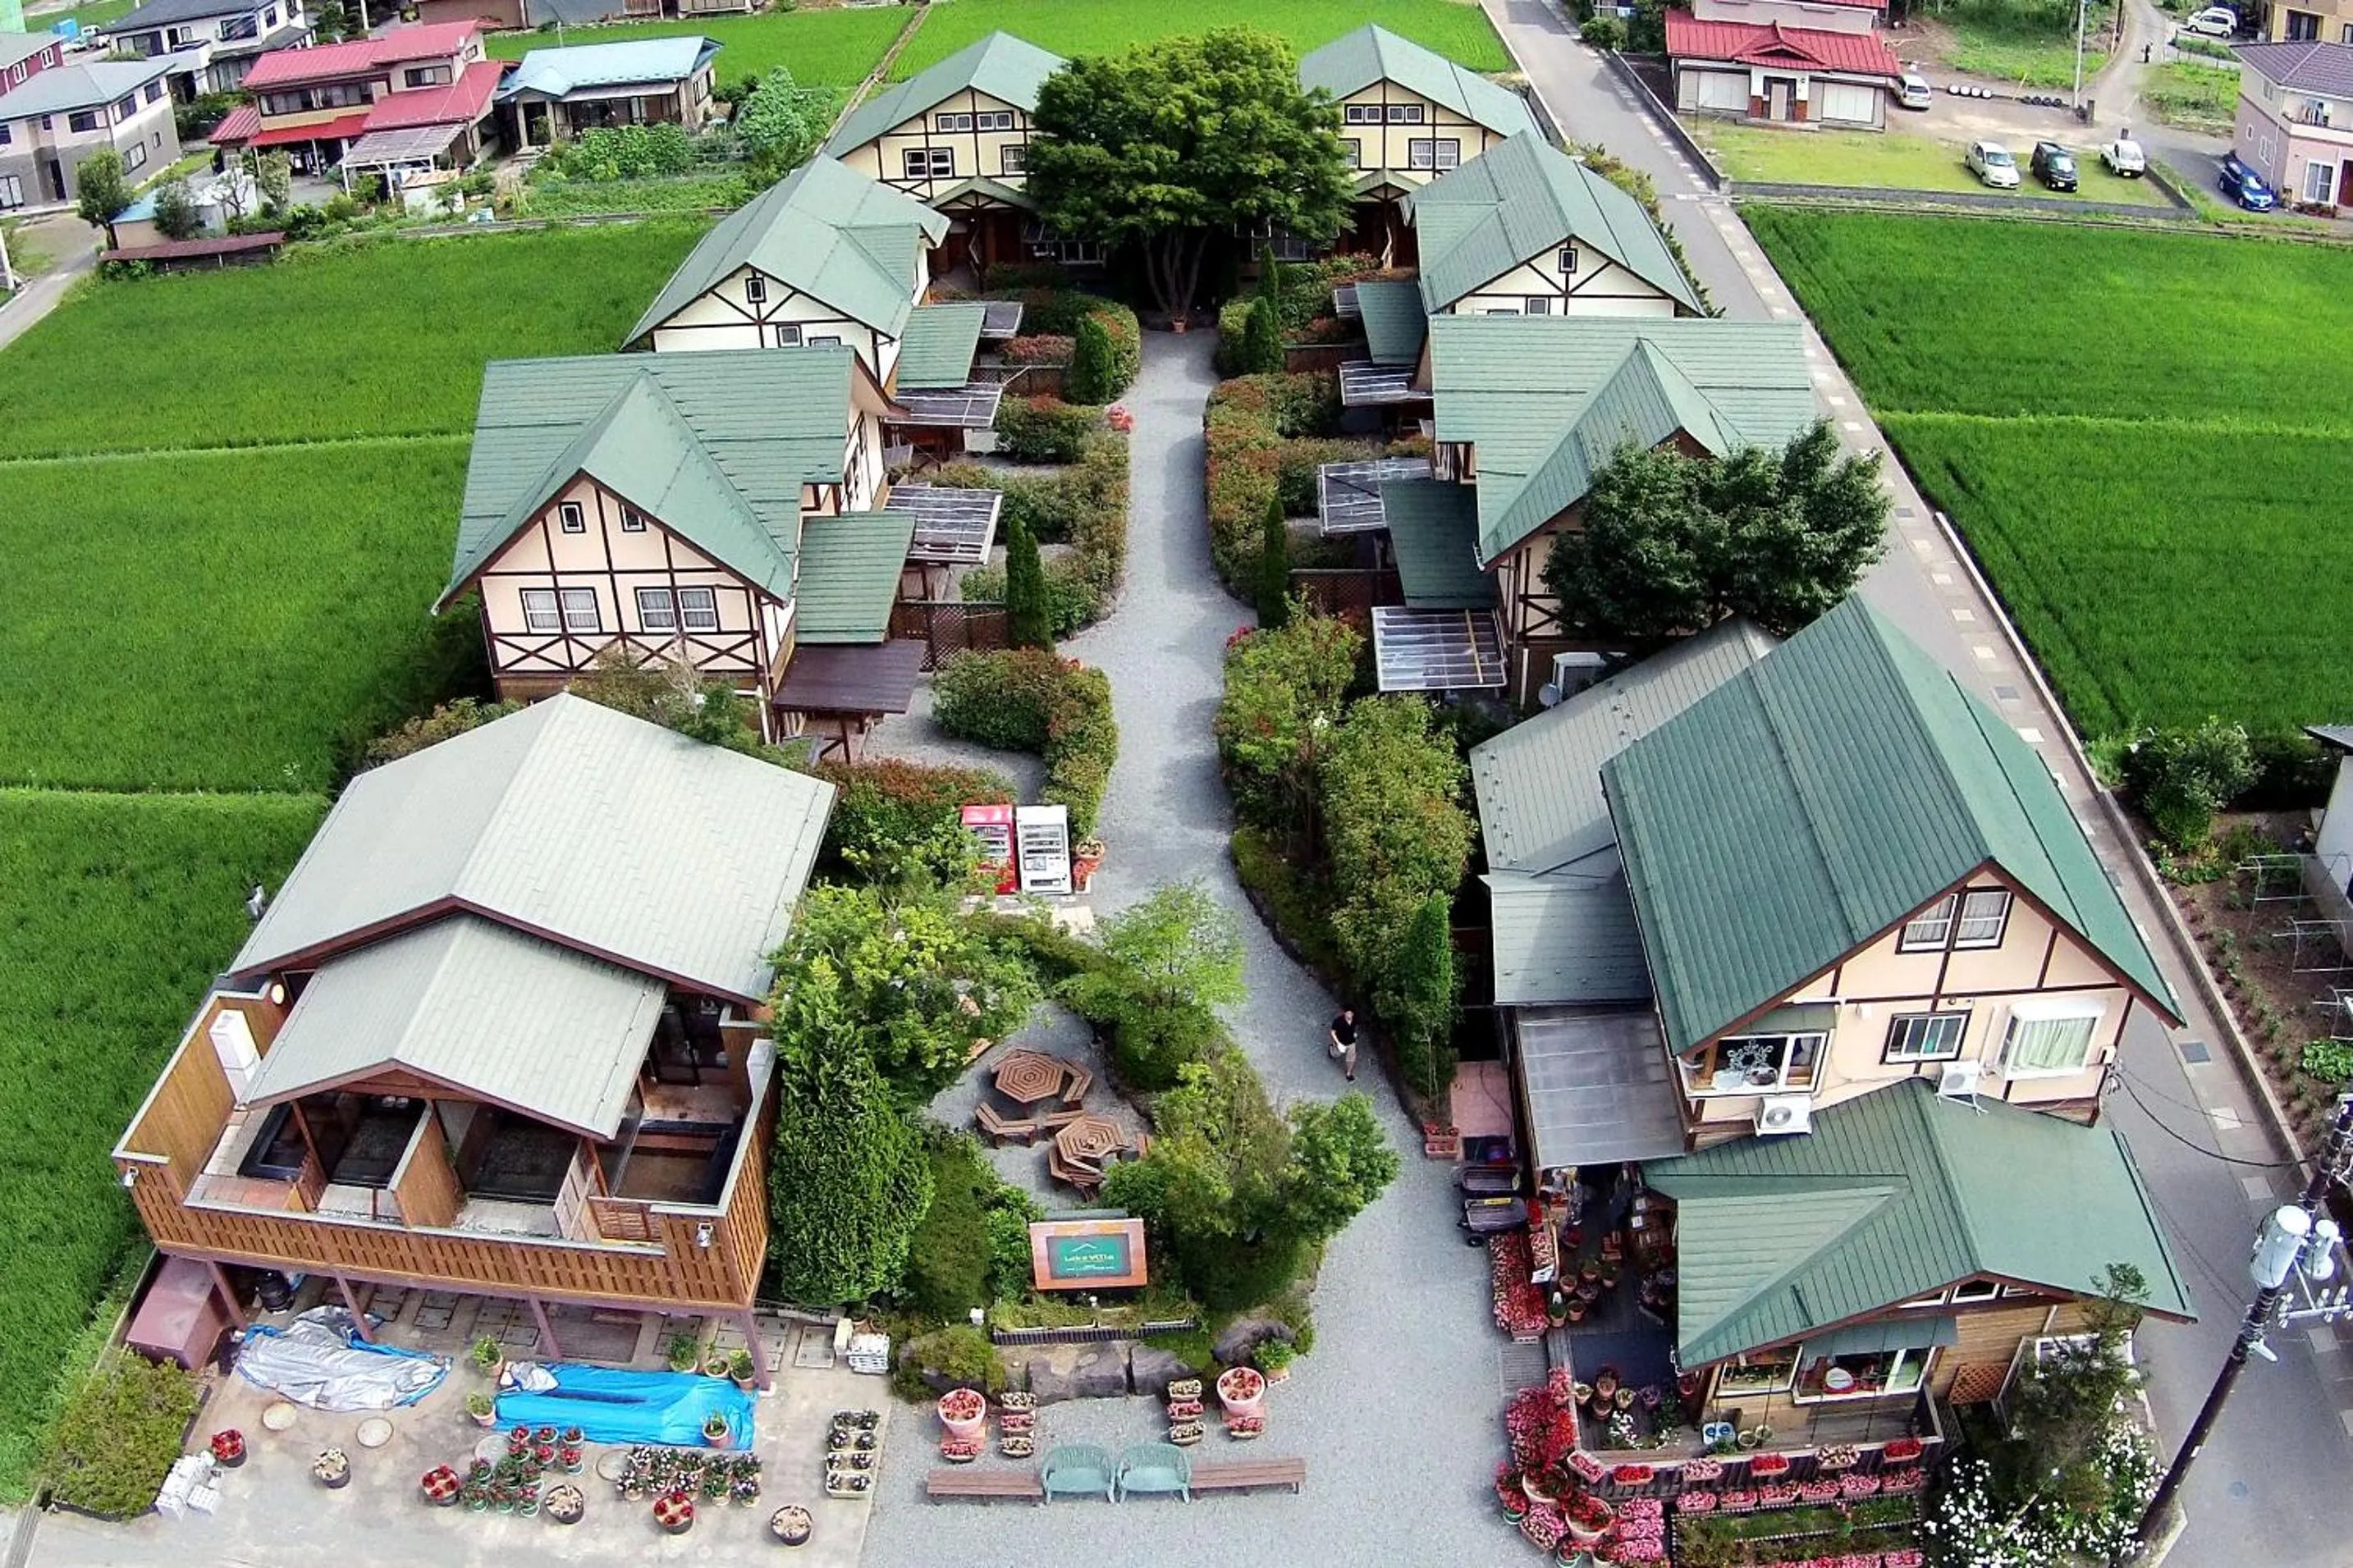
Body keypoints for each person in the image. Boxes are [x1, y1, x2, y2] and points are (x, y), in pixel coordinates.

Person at [1327, 1008, 1359, 1082]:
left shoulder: (1354, 1020)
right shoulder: (1338, 1021)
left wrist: (1354, 1034)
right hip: (1341, 1042)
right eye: (1348, 1013)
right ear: (1345, 1013)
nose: (1350, 1015)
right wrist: (1338, 1043)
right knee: (1336, 1054)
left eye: (1351, 1013)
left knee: (1351, 1058)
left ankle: (1349, 1073)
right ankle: (1331, 1051)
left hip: (1351, 1042)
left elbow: (1353, 1028)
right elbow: (1333, 1032)